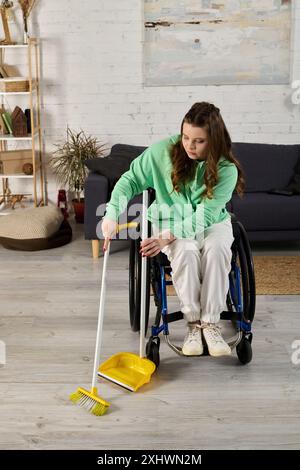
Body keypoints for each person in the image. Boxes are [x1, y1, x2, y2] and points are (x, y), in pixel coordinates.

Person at [101, 102, 245, 357]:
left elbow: (207, 215)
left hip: (211, 222)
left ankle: (210, 324)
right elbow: (130, 180)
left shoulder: (226, 169)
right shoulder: (162, 152)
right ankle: (193, 324)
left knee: (217, 249)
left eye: (198, 141)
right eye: (186, 137)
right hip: (169, 218)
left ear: (214, 140)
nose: (189, 145)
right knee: (187, 251)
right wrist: (112, 214)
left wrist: (165, 238)